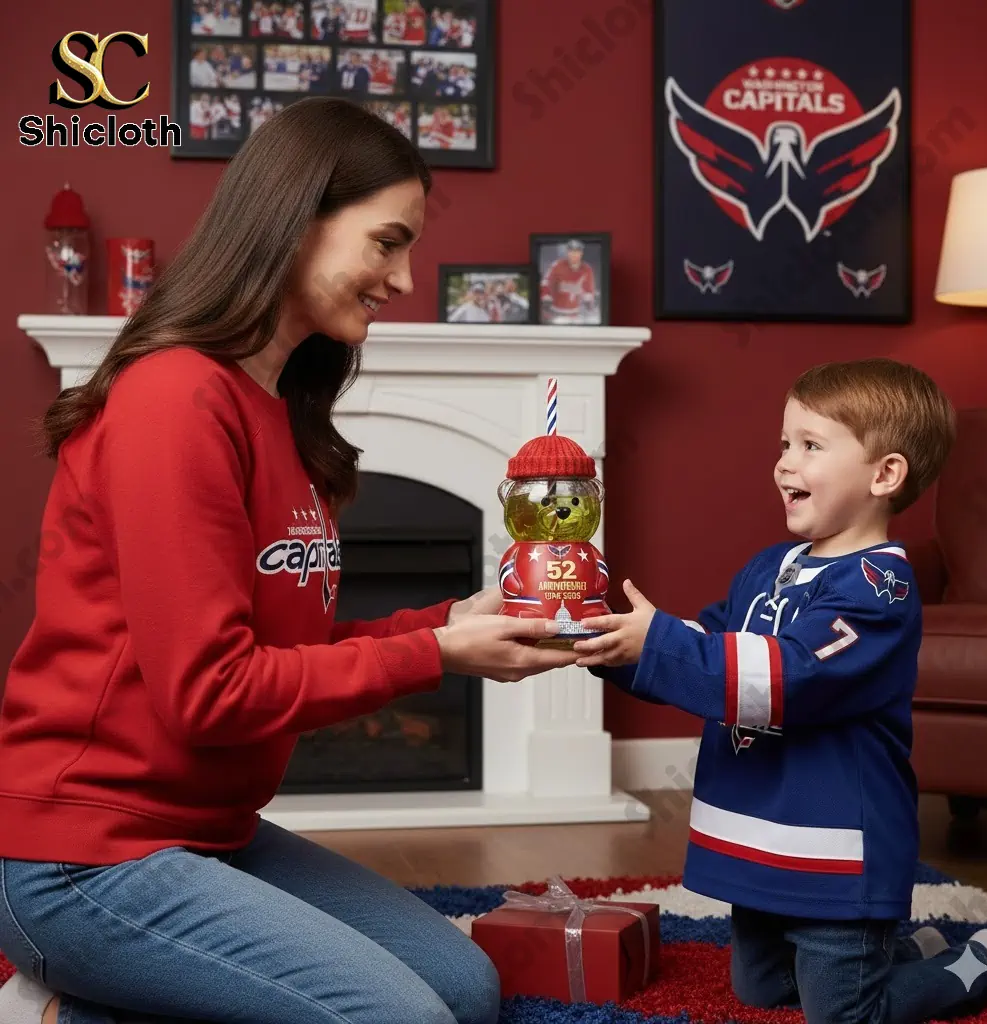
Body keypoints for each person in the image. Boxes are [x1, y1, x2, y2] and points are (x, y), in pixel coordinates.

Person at [0, 97, 579, 1024]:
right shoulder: (175, 401)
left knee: (465, 991)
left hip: (209, 835)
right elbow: (209, 692)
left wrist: (446, 623)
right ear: (297, 218)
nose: (403, 277)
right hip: (85, 856)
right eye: (386, 242)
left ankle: (110, 1001)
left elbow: (278, 646)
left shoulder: (275, 409)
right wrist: (435, 657)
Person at [573, 359, 987, 1024]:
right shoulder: (771, 566)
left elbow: (791, 675)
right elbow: (715, 645)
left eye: (811, 446)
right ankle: (907, 954)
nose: (785, 464)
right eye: (785, 443)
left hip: (836, 848)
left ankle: (976, 963)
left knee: (844, 1014)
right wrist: (607, 645)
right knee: (761, 988)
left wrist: (662, 641)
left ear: (885, 474)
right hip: (762, 836)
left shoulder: (880, 590)